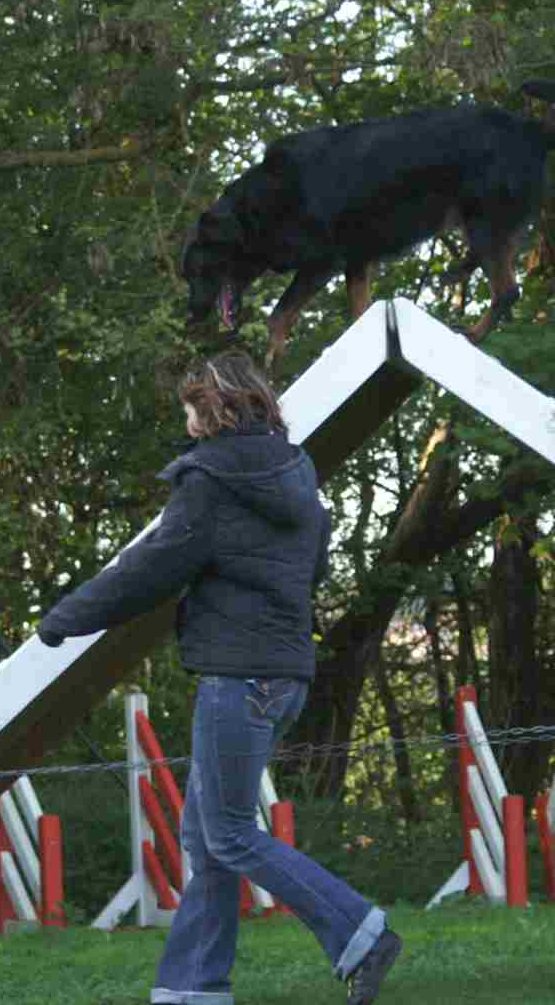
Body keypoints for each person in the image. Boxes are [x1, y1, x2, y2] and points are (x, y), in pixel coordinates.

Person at [39, 353, 403, 1005]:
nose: (186, 423)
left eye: (190, 409)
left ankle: (360, 932)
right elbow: (313, 567)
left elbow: (153, 568)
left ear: (214, 409)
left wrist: (68, 616)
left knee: (229, 833)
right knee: (208, 840)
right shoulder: (296, 472)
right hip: (284, 674)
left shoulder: (209, 480)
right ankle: (193, 989)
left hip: (237, 678)